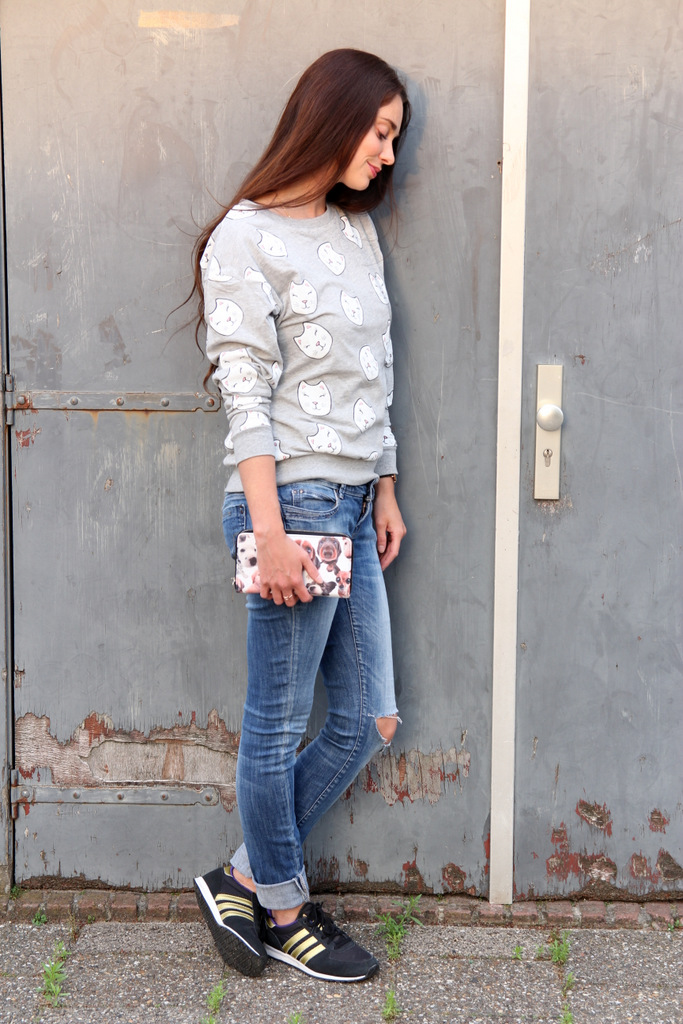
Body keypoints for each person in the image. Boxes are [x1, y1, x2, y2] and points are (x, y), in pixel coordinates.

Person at [191, 48, 411, 984]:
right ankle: (283, 907)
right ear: (333, 116)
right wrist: (270, 533)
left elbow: (374, 371)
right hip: (291, 502)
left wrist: (385, 486)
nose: (388, 154)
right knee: (275, 724)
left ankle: (241, 874)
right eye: (380, 132)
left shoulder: (354, 232)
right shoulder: (243, 239)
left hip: (352, 502)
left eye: (394, 137)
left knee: (369, 720)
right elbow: (243, 392)